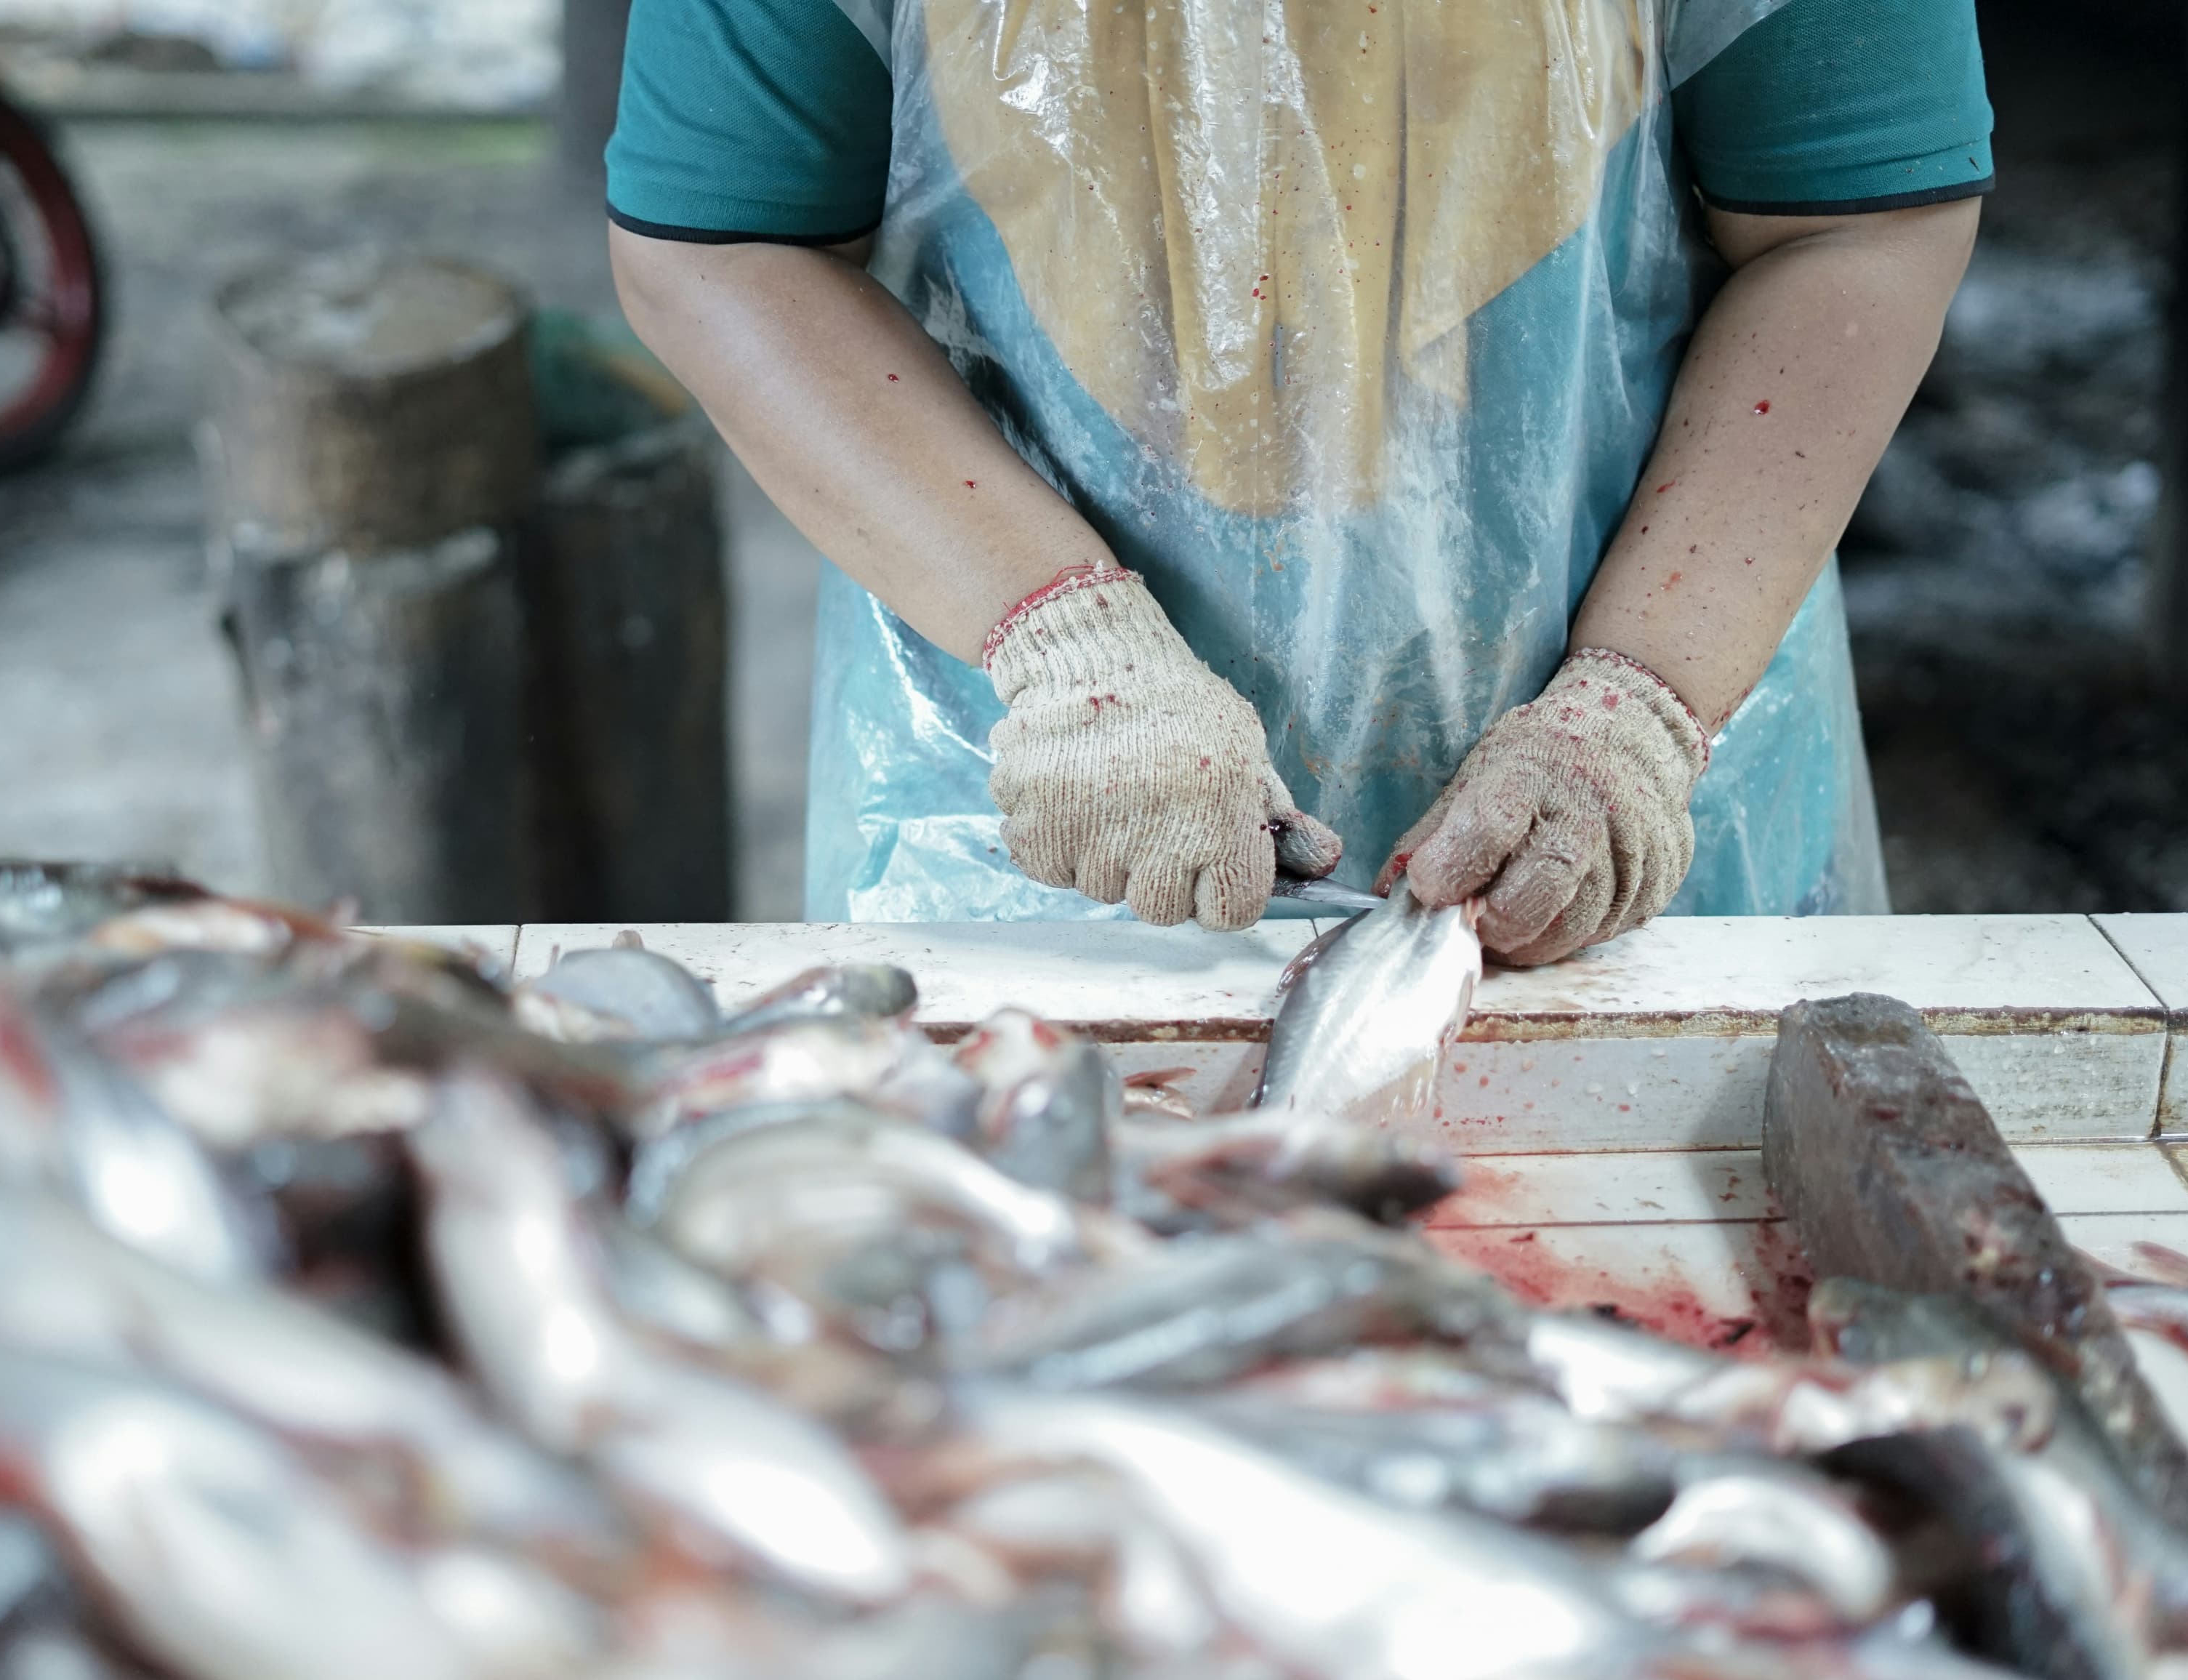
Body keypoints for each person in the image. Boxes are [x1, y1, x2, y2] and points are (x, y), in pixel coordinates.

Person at [605, 0, 1990, 962]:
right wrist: (1068, 648)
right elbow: (728, 239)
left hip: (1648, 724)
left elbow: (1847, 223)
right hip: (1026, 779)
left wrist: (1637, 707)